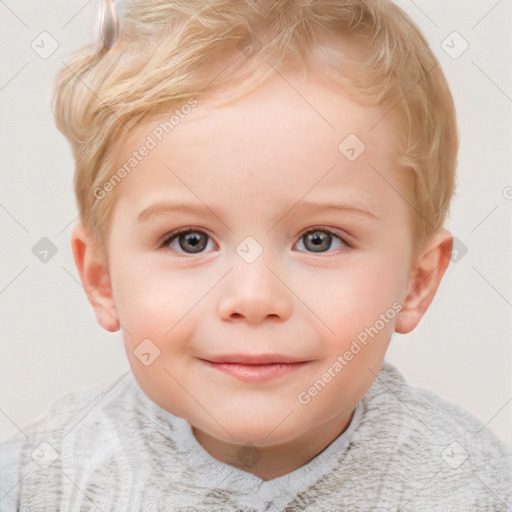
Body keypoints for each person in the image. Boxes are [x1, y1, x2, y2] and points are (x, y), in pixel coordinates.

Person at [1, 0, 511, 510]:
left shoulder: (470, 488)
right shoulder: (45, 481)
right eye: (190, 240)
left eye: (319, 239)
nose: (253, 298)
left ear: (416, 282)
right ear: (102, 279)